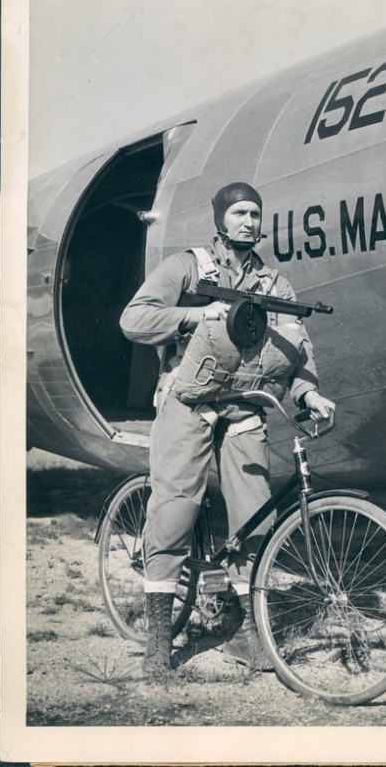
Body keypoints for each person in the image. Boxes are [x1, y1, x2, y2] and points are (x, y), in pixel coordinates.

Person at [120, 182, 335, 678]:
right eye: (239, 212)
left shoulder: (276, 286)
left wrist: (308, 393)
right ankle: (158, 642)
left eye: (255, 213)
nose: (249, 221)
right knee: (174, 511)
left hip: (244, 407)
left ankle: (246, 631)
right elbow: (134, 319)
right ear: (220, 218)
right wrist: (196, 315)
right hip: (188, 401)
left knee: (253, 520)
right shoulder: (188, 267)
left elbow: (298, 350)